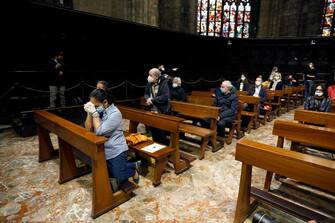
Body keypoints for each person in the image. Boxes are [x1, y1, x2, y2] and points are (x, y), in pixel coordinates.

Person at [84, 89, 141, 186]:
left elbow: (99, 131)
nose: (95, 108)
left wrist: (94, 114)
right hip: (103, 147)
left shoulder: (115, 114)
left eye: (96, 106)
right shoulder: (99, 110)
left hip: (116, 149)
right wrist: (89, 113)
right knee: (107, 172)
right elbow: (88, 129)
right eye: (93, 106)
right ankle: (132, 164)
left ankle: (133, 171)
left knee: (118, 176)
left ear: (105, 102)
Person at [144, 68, 170, 144]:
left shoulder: (164, 83)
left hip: (161, 110)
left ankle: (163, 146)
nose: (148, 77)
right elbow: (146, 94)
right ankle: (156, 144)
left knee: (160, 131)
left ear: (156, 76)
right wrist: (147, 98)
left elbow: (165, 97)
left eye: (150, 75)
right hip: (151, 109)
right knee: (153, 129)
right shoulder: (149, 83)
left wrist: (152, 100)